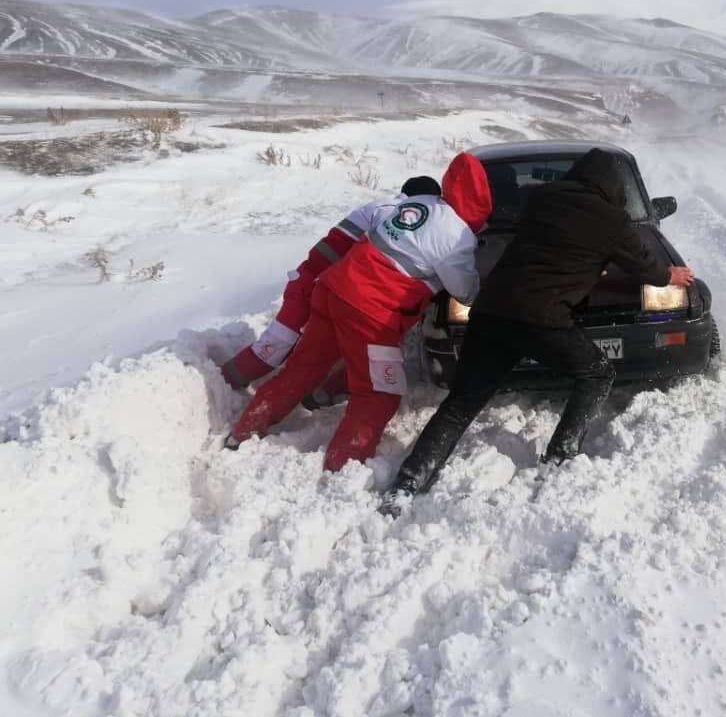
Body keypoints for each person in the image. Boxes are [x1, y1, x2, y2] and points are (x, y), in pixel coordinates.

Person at [380, 148, 693, 515]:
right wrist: (669, 276)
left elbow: (551, 244)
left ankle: (407, 483)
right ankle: (561, 457)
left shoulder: (543, 199)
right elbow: (646, 266)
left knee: (460, 405)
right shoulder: (612, 220)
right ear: (614, 188)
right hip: (541, 318)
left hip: (492, 310)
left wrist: (589, 267)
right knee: (596, 374)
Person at [224, 153, 492, 472]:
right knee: (380, 391)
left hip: (333, 289)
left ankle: (243, 433)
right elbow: (463, 290)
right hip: (370, 311)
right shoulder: (456, 236)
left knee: (302, 368)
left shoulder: (421, 204)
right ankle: (343, 468)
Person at [220, 175, 443, 391]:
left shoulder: (384, 206)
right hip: (314, 283)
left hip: (317, 281)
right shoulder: (396, 214)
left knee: (308, 348)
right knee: (278, 343)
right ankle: (223, 382)